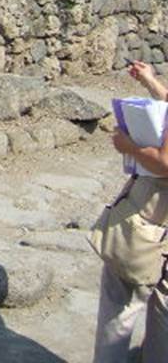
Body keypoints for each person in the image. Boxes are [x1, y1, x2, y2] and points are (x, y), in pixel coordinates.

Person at [94, 61, 168, 362]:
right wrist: (151, 82)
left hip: (151, 219)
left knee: (119, 309)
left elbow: (165, 164)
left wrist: (130, 147)